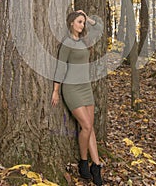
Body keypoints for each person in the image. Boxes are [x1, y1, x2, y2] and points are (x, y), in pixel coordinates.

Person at [51, 10, 103, 186]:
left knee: (91, 128)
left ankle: (96, 166)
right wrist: (56, 90)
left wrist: (88, 17)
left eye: (83, 22)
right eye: (79, 22)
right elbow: (60, 67)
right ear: (71, 23)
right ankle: (83, 162)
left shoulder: (84, 41)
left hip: (86, 88)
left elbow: (100, 29)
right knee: (86, 126)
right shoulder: (66, 44)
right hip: (72, 89)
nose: (82, 25)